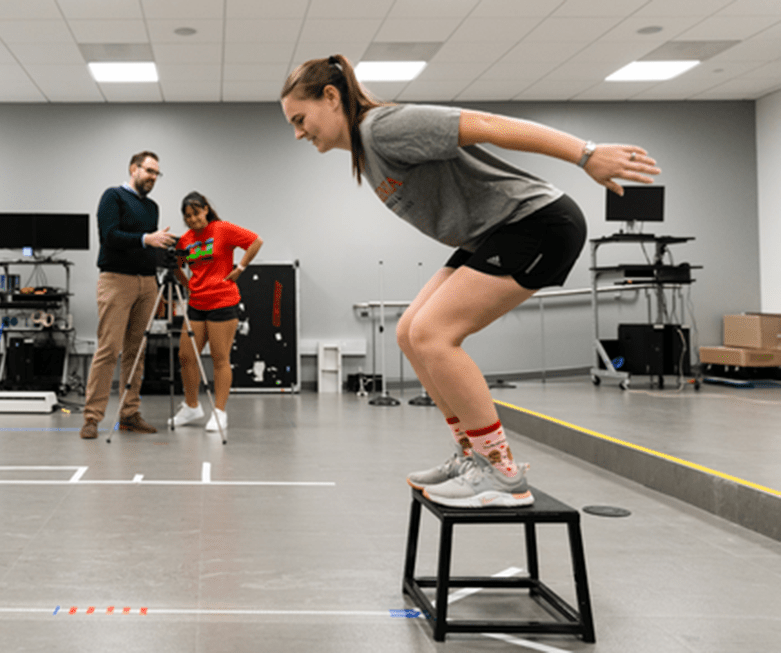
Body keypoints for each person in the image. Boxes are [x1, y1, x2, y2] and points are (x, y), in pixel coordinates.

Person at [280, 55, 660, 508]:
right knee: (409, 333)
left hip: (537, 223)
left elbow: (486, 123)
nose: (299, 133)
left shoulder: (382, 127)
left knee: (434, 334)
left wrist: (586, 154)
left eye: (300, 120)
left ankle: (501, 471)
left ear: (330, 97)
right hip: (496, 232)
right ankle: (472, 455)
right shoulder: (367, 149)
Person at [80, 151, 178, 440]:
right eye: (149, 171)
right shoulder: (113, 197)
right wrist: (145, 239)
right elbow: (109, 236)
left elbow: (148, 246)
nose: (153, 178)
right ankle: (92, 418)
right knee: (109, 349)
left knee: (136, 353)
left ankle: (129, 414)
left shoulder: (152, 208)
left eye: (156, 174)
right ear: (134, 169)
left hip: (147, 284)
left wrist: (170, 252)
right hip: (116, 281)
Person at [169, 192, 263, 432]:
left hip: (222, 302)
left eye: (196, 213)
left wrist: (240, 268)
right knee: (186, 356)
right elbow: (176, 266)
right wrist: (187, 284)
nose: (192, 219)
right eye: (187, 216)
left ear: (206, 210)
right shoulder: (185, 240)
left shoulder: (221, 229)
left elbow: (256, 241)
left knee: (220, 358)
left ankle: (220, 412)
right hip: (196, 305)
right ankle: (191, 407)